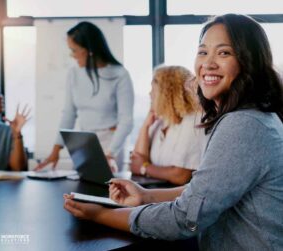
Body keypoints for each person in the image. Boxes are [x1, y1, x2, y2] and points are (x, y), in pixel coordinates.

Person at [63, 14, 283, 250]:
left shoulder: (243, 125)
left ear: (249, 61)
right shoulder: (251, 117)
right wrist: (146, 196)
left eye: (224, 53)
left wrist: (99, 215)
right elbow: (205, 191)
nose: (207, 63)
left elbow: (184, 218)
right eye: (202, 52)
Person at [36, 21, 134, 170]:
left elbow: (126, 120)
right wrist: (55, 151)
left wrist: (111, 154)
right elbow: (68, 114)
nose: (72, 55)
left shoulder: (120, 74)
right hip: (86, 143)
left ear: (89, 50)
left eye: (74, 50)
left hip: (112, 143)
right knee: (84, 188)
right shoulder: (73, 74)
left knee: (113, 190)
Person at [130, 65, 206, 185]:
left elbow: (180, 176)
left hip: (176, 197)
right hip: (156, 190)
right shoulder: (160, 121)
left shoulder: (193, 121)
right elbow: (137, 159)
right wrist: (145, 127)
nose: (150, 94)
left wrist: (144, 168)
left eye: (154, 89)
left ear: (168, 93)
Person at [0, 80, 29, 171]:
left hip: (0, 185)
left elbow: (18, 169)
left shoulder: (8, 131)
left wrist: (17, 134)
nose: (1, 97)